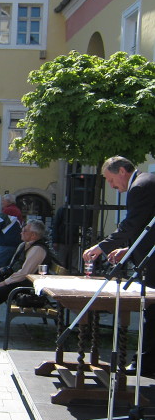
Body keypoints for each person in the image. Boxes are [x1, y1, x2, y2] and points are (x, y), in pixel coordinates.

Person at [83, 156, 155, 376]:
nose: (111, 185)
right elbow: (147, 228)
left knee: (151, 309)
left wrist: (101, 247)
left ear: (122, 171)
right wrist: (128, 249)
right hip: (148, 255)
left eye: (110, 179)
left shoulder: (140, 187)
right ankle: (145, 361)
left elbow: (131, 225)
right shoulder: (145, 182)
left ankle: (146, 363)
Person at [0, 193, 23, 273]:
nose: (2, 202)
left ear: (8, 201)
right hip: (13, 241)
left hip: (7, 242)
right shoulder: (16, 209)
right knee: (6, 266)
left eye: (3, 200)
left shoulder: (8, 210)